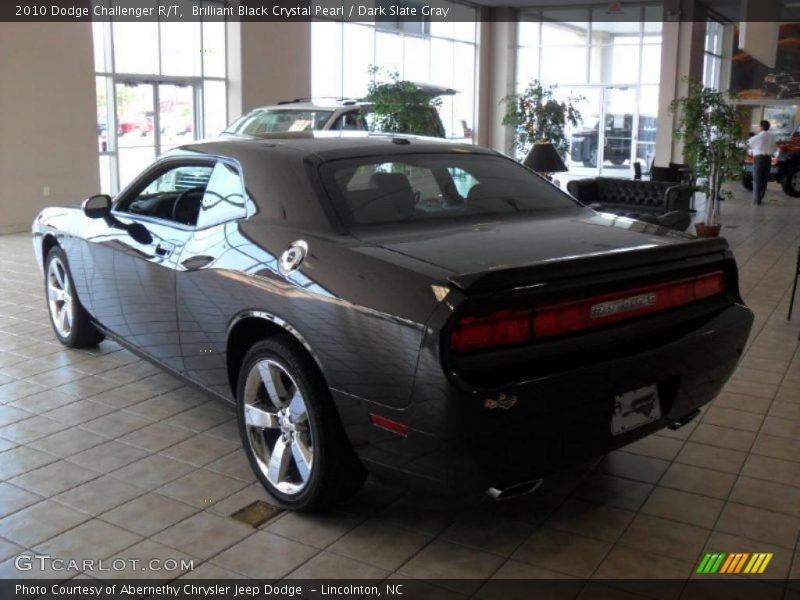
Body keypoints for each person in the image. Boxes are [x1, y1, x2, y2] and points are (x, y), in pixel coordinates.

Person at [748, 120, 778, 206]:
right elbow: (775, 149)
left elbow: (747, 144)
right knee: (764, 179)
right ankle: (760, 197)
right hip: (768, 159)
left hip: (759, 159)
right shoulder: (772, 136)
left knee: (757, 179)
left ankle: (757, 200)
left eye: (759, 126)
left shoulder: (759, 136)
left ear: (761, 127)